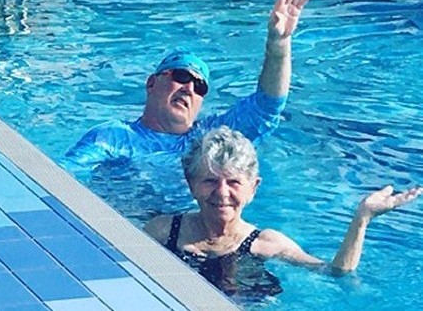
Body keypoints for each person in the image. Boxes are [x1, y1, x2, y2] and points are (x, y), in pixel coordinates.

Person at [62, 0, 312, 177]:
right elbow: (62, 176)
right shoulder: (114, 137)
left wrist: (278, 44)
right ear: (151, 83)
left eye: (200, 86)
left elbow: (267, 107)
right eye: (181, 76)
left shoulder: (209, 140)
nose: (189, 88)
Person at [144, 126, 422, 298]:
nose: (222, 193)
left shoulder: (266, 243)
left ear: (253, 188)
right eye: (210, 181)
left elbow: (334, 274)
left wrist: (361, 219)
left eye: (233, 182)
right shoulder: (163, 231)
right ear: (191, 184)